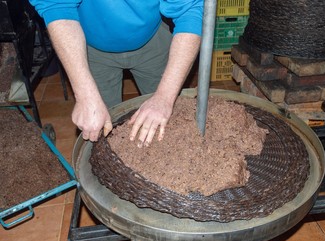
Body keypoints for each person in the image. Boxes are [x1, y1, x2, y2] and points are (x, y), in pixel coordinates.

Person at [29, 0, 204, 147]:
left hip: (152, 38)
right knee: (102, 128)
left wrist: (164, 97)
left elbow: (190, 12)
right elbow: (57, 6)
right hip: (90, 46)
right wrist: (85, 95)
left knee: (168, 119)